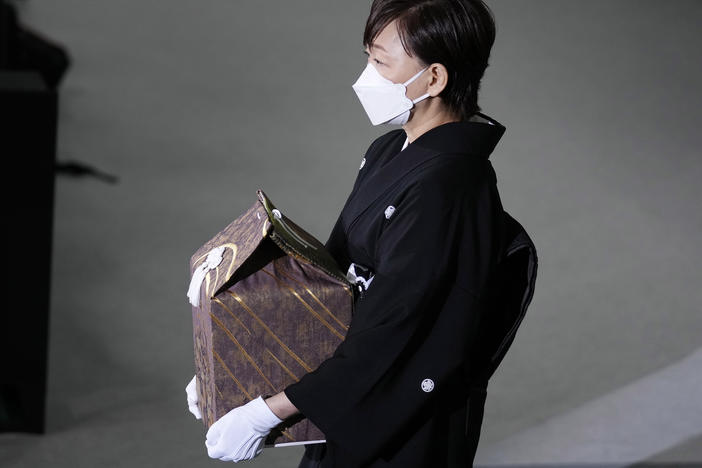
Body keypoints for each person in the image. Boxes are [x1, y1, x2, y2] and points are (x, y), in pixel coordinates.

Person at [187, 1, 530, 466]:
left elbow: (390, 334)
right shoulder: (390, 150)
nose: (366, 74)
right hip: (350, 389)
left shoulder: (447, 187)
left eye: (380, 61)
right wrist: (234, 368)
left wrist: (266, 412)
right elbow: (329, 286)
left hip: (401, 426)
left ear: (434, 79)